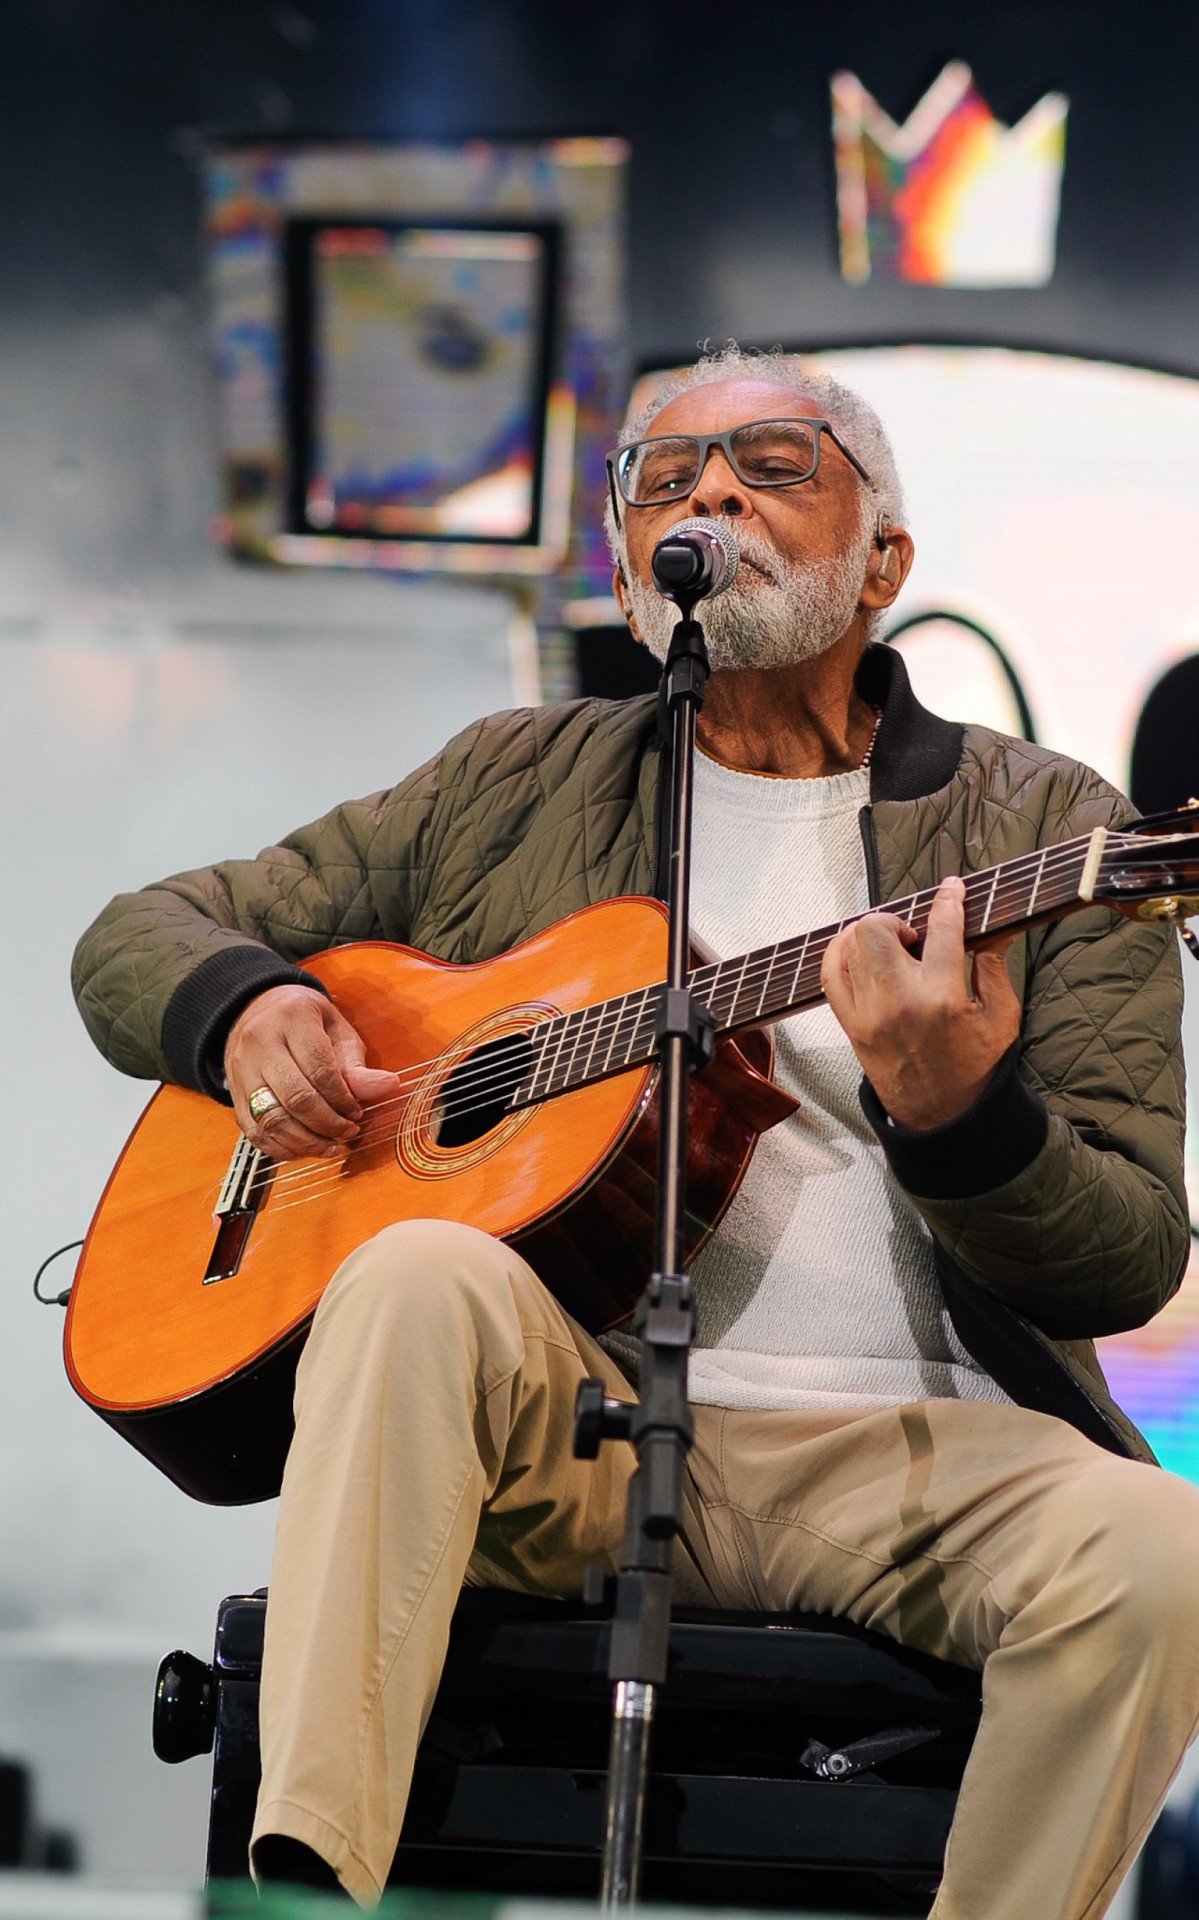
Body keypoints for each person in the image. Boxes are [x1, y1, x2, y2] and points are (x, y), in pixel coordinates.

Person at [73, 346, 1197, 1919]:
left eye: (773, 468)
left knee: (1160, 1552)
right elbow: (138, 934)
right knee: (409, 1274)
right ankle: (312, 1893)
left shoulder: (1057, 830)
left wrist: (962, 1120)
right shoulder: (508, 782)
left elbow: (1126, 1259)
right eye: (665, 480)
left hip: (915, 1458)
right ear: (626, 567)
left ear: (885, 562)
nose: (709, 495)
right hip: (572, 1430)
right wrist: (241, 1007)